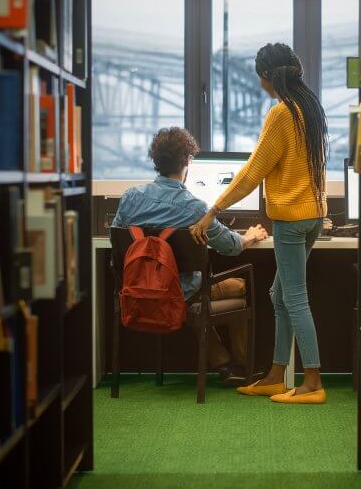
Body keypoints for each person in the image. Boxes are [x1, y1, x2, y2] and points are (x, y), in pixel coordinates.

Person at [190, 43, 329, 404]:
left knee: (294, 299)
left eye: (260, 76)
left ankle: (313, 382)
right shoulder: (310, 109)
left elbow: (253, 171)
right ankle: (276, 374)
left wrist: (213, 209)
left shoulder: (281, 113)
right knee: (278, 295)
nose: (260, 83)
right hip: (313, 214)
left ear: (268, 76)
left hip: (291, 218)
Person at [112, 127, 268, 384]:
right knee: (237, 286)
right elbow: (230, 246)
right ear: (187, 161)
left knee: (199, 292)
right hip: (179, 294)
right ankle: (241, 366)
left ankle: (223, 363)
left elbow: (117, 240)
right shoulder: (193, 207)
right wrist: (250, 236)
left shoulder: (130, 197)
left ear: (156, 161)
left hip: (136, 290)